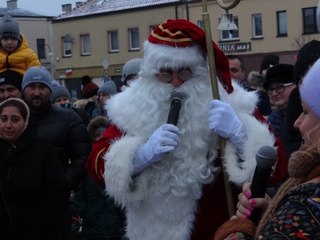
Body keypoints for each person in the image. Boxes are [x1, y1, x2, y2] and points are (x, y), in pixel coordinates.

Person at [99, 19, 284, 240]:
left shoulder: (230, 102)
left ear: (200, 71)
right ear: (151, 74)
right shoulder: (130, 107)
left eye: (185, 73)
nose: (176, 82)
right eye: (165, 74)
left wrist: (241, 135)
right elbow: (98, 164)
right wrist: (139, 156)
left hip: (221, 232)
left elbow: (277, 168)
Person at [214, 57, 320, 240]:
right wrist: (271, 213)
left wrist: (237, 230)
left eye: (306, 112)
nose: (297, 123)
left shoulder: (307, 202)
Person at [21, 66, 91, 238]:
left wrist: (63, 184)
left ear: (50, 90)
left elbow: (83, 156)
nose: (37, 92)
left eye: (42, 87)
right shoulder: (13, 119)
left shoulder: (68, 119)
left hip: (56, 207)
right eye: (32, 87)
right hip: (19, 206)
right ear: (24, 90)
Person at [0, 98, 67, 240]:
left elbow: (57, 193)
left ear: (26, 123)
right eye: (4, 119)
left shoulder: (43, 152)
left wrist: (42, 223)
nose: (8, 125)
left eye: (15, 119)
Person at [74, 115, 126, 240]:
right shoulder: (87, 166)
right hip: (92, 229)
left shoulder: (120, 164)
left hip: (116, 228)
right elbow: (78, 197)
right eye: (98, 138)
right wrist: (87, 211)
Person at [264, 64, 296, 160]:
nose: (274, 93)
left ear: (295, 86)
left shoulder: (307, 115)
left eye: (280, 87)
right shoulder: (273, 119)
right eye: (270, 89)